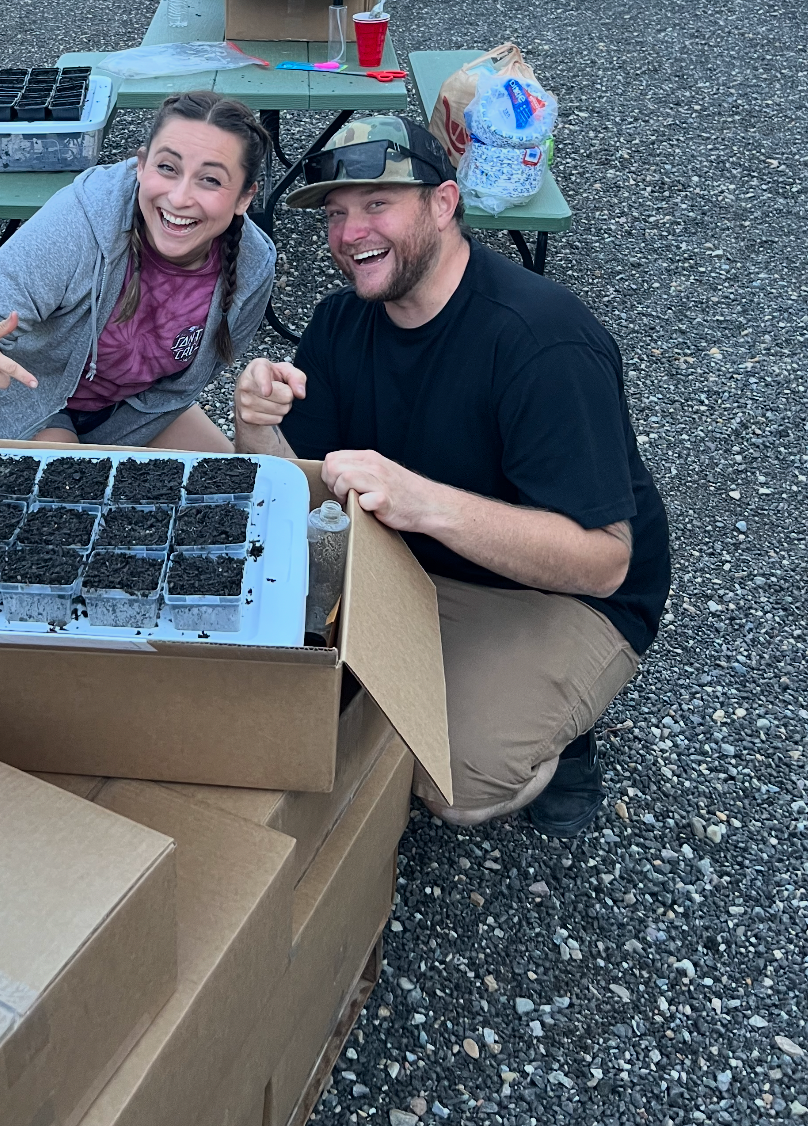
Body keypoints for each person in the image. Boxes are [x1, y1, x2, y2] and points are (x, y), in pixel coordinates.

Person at [232, 115, 670, 837]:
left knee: (450, 782)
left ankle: (563, 730)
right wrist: (253, 424)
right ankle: (436, 668)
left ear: (442, 204)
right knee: (271, 692)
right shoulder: (341, 323)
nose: (348, 234)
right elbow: (289, 501)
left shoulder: (541, 339)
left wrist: (421, 501)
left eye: (377, 205)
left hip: (560, 594)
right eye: (336, 214)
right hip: (413, 564)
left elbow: (604, 561)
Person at [0, 90, 276, 450]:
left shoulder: (253, 266)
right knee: (67, 491)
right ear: (141, 164)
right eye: (167, 168)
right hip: (25, 401)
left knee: (225, 488)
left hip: (134, 412)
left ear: (245, 197)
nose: (180, 197)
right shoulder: (82, 221)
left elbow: (190, 381)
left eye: (210, 180)